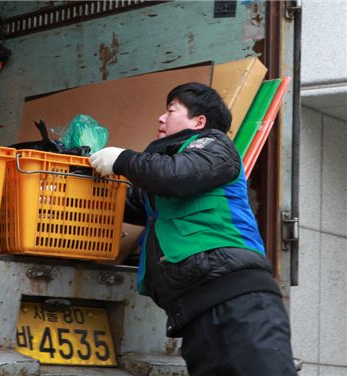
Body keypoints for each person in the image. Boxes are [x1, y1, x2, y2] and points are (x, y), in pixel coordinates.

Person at [89, 82, 296, 376]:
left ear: (200, 122)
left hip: (240, 301)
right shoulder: (166, 180)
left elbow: (177, 175)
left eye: (171, 111)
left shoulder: (215, 147)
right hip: (196, 313)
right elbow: (132, 201)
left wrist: (123, 160)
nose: (161, 118)